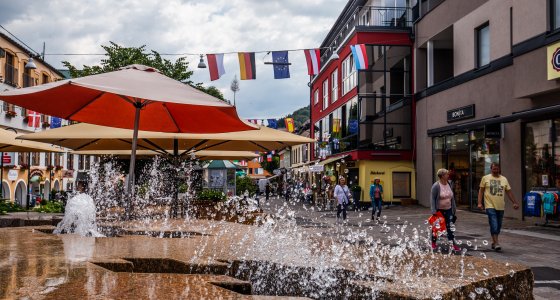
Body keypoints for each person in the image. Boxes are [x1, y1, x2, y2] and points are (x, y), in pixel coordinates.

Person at [477, 162, 520, 251]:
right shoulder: (485, 178)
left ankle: (494, 242)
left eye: (497, 169)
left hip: (500, 206)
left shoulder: (504, 179)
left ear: (499, 169)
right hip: (489, 205)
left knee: (498, 225)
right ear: (491, 169)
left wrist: (514, 202)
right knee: (494, 223)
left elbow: (509, 192)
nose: (495, 170)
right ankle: (496, 243)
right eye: (494, 169)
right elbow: (481, 191)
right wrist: (479, 203)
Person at [430, 168, 460, 251]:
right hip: (439, 210)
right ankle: (433, 242)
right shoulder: (436, 186)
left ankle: (453, 244)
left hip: (449, 209)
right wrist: (434, 211)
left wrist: (454, 209)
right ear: (442, 176)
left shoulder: (449, 183)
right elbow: (432, 199)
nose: (448, 175)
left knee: (450, 227)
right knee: (436, 228)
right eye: (446, 174)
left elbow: (452, 197)